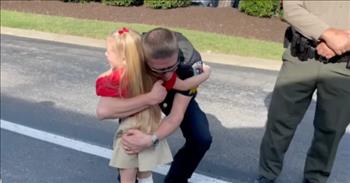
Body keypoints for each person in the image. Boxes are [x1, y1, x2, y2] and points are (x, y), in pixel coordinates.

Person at [97, 27, 213, 183]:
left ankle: (176, 180)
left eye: (171, 67)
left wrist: (151, 139)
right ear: (143, 60)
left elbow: (176, 114)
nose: (167, 74)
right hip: (144, 91)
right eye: (159, 69)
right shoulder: (136, 56)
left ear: (177, 57)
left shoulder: (189, 64)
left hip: (175, 91)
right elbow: (103, 110)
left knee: (201, 138)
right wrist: (149, 99)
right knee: (130, 143)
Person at [255, 1, 350, 183]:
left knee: (331, 129)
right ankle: (266, 175)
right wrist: (329, 35)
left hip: (344, 66)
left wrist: (344, 43)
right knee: (279, 121)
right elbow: (291, 8)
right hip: (301, 57)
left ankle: (315, 179)